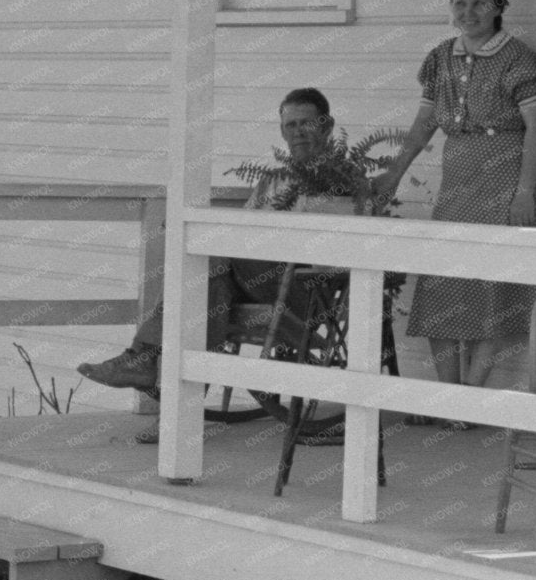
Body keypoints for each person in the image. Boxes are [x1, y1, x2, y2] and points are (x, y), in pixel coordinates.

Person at [76, 87, 340, 393]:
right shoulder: (271, 181)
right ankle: (164, 381)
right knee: (206, 279)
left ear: (327, 126)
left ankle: (147, 362)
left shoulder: (341, 181)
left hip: (302, 290)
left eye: (306, 123)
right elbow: (243, 230)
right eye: (290, 126)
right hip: (250, 282)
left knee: (208, 260)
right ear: (282, 132)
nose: (298, 133)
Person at [371, 0, 536, 393]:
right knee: (443, 282)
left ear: (497, 7)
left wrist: (525, 192)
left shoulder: (518, 60)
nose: (468, 11)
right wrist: (393, 176)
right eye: (460, 2)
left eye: (478, 2)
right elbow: (422, 126)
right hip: (457, 180)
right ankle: (446, 397)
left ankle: (469, 398)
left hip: (504, 179)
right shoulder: (440, 58)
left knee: (492, 285)